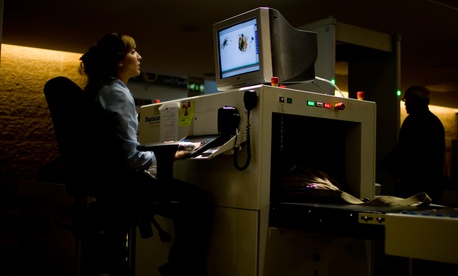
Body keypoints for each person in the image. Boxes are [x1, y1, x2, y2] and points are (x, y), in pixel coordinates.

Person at [78, 33, 213, 276]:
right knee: (199, 200)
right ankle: (178, 268)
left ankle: (177, 265)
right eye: (133, 52)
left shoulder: (99, 91)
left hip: (109, 186)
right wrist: (174, 155)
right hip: (125, 186)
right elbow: (131, 158)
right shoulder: (117, 93)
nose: (139, 56)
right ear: (119, 61)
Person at [383, 85, 445, 202]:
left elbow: (404, 150)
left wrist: (386, 162)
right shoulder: (435, 122)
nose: (405, 104)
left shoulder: (412, 121)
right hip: (432, 186)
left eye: (406, 100)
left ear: (415, 101)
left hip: (412, 185)